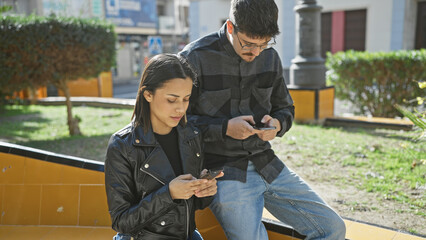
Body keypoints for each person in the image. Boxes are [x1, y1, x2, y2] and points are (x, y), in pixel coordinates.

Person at [179, 0, 346, 239]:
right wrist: (225, 128)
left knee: (333, 228)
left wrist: (277, 125)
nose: (256, 52)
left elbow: (286, 108)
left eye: (264, 43)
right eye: (248, 44)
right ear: (230, 28)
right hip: (223, 170)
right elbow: (177, 122)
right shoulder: (193, 58)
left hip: (267, 162)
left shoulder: (270, 57)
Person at [105, 54, 223, 240]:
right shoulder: (122, 145)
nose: (181, 108)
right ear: (148, 94)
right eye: (172, 99)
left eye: (186, 99)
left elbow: (194, 205)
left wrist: (204, 191)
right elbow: (121, 222)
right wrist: (169, 194)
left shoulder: (191, 135)